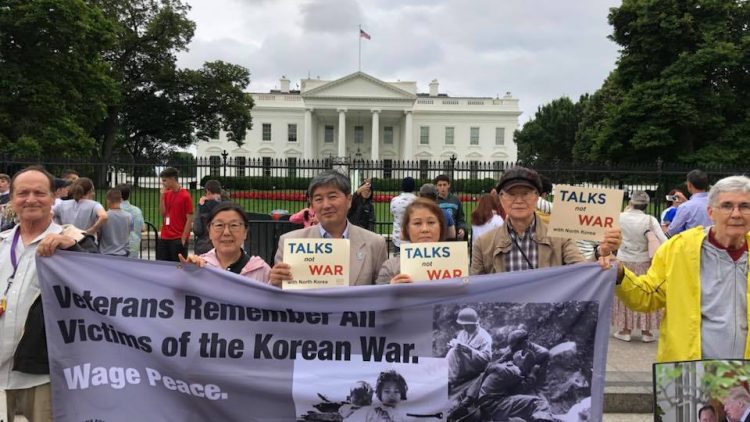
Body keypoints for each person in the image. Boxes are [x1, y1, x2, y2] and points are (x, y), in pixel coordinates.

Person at [614, 175, 750, 361]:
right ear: (711, 212)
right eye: (727, 206)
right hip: (690, 368)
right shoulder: (680, 249)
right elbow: (648, 295)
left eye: (745, 206)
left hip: (744, 374)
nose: (736, 214)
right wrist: (620, 274)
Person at [0, 166, 93, 422]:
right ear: (12, 199)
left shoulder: (75, 242)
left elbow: (102, 289)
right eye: (23, 193)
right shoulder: (2, 242)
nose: (30, 199)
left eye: (39, 193)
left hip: (43, 374)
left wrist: (73, 252)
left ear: (54, 197)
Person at [471, 166, 622, 275]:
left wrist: (600, 253)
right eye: (511, 194)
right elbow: (475, 290)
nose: (519, 200)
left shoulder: (561, 239)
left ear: (537, 197)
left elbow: (580, 272)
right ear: (501, 198)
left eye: (526, 193)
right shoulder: (483, 244)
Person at [270, 170, 388, 287]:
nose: (326, 205)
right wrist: (275, 283)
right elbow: (280, 294)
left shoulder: (375, 244)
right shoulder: (289, 243)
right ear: (312, 204)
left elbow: (383, 293)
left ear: (349, 200)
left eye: (332, 197)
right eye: (318, 199)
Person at [612, 191, 667, 343]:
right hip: (643, 260)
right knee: (645, 292)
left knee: (625, 294)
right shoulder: (650, 220)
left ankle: (625, 330)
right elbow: (664, 240)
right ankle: (646, 331)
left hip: (623, 259)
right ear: (646, 205)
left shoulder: (619, 217)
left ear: (631, 202)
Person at [179, 203, 271, 283]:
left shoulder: (262, 272)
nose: (226, 232)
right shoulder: (200, 267)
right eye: (219, 225)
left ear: (245, 232)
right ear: (209, 232)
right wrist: (186, 276)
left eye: (234, 225)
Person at [375, 198, 449, 284]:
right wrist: (390, 288)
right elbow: (378, 292)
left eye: (431, 222)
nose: (425, 229)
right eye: (417, 223)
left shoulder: (457, 262)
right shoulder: (390, 267)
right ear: (407, 229)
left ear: (440, 226)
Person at [447, 307, 493, 387]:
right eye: (463, 325)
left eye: (467, 325)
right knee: (453, 350)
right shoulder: (463, 334)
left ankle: (448, 380)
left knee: (453, 352)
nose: (464, 327)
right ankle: (446, 379)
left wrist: (469, 350)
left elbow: (486, 358)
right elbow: (458, 349)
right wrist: (453, 346)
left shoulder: (484, 337)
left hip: (476, 367)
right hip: (464, 365)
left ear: (475, 324)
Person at [157, 167, 193, 262]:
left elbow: (189, 218)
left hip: (178, 238)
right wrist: (162, 196)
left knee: (178, 266)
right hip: (165, 236)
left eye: (164, 180)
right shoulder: (167, 194)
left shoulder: (185, 196)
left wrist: (184, 238)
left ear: (172, 179)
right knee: (162, 265)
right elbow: (163, 213)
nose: (163, 183)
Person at [667, 169, 712, 236]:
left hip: (694, 240)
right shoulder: (716, 202)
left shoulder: (685, 207)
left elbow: (672, 230)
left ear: (689, 185)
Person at [193, 179, 228, 255]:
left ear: (208, 191)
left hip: (205, 246)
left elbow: (197, 229)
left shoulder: (203, 207)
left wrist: (199, 206)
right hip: (223, 246)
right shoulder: (228, 206)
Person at [97, 189, 133, 256]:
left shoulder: (104, 216)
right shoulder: (129, 216)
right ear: (121, 200)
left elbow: (98, 234)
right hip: (123, 253)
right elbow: (130, 232)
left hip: (106, 252)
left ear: (108, 201)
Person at [389, 176, 417, 254]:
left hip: (398, 238)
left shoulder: (394, 200)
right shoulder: (418, 201)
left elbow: (393, 214)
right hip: (413, 239)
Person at [117, 183, 145, 258]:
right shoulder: (137, 210)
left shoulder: (115, 210)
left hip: (118, 247)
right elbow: (143, 228)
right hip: (134, 245)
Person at [435, 174, 466, 240]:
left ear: (449, 185)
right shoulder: (434, 201)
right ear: (436, 187)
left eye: (444, 185)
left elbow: (460, 218)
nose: (442, 187)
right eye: (440, 185)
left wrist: (461, 228)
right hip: (438, 235)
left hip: (453, 235)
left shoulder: (456, 200)